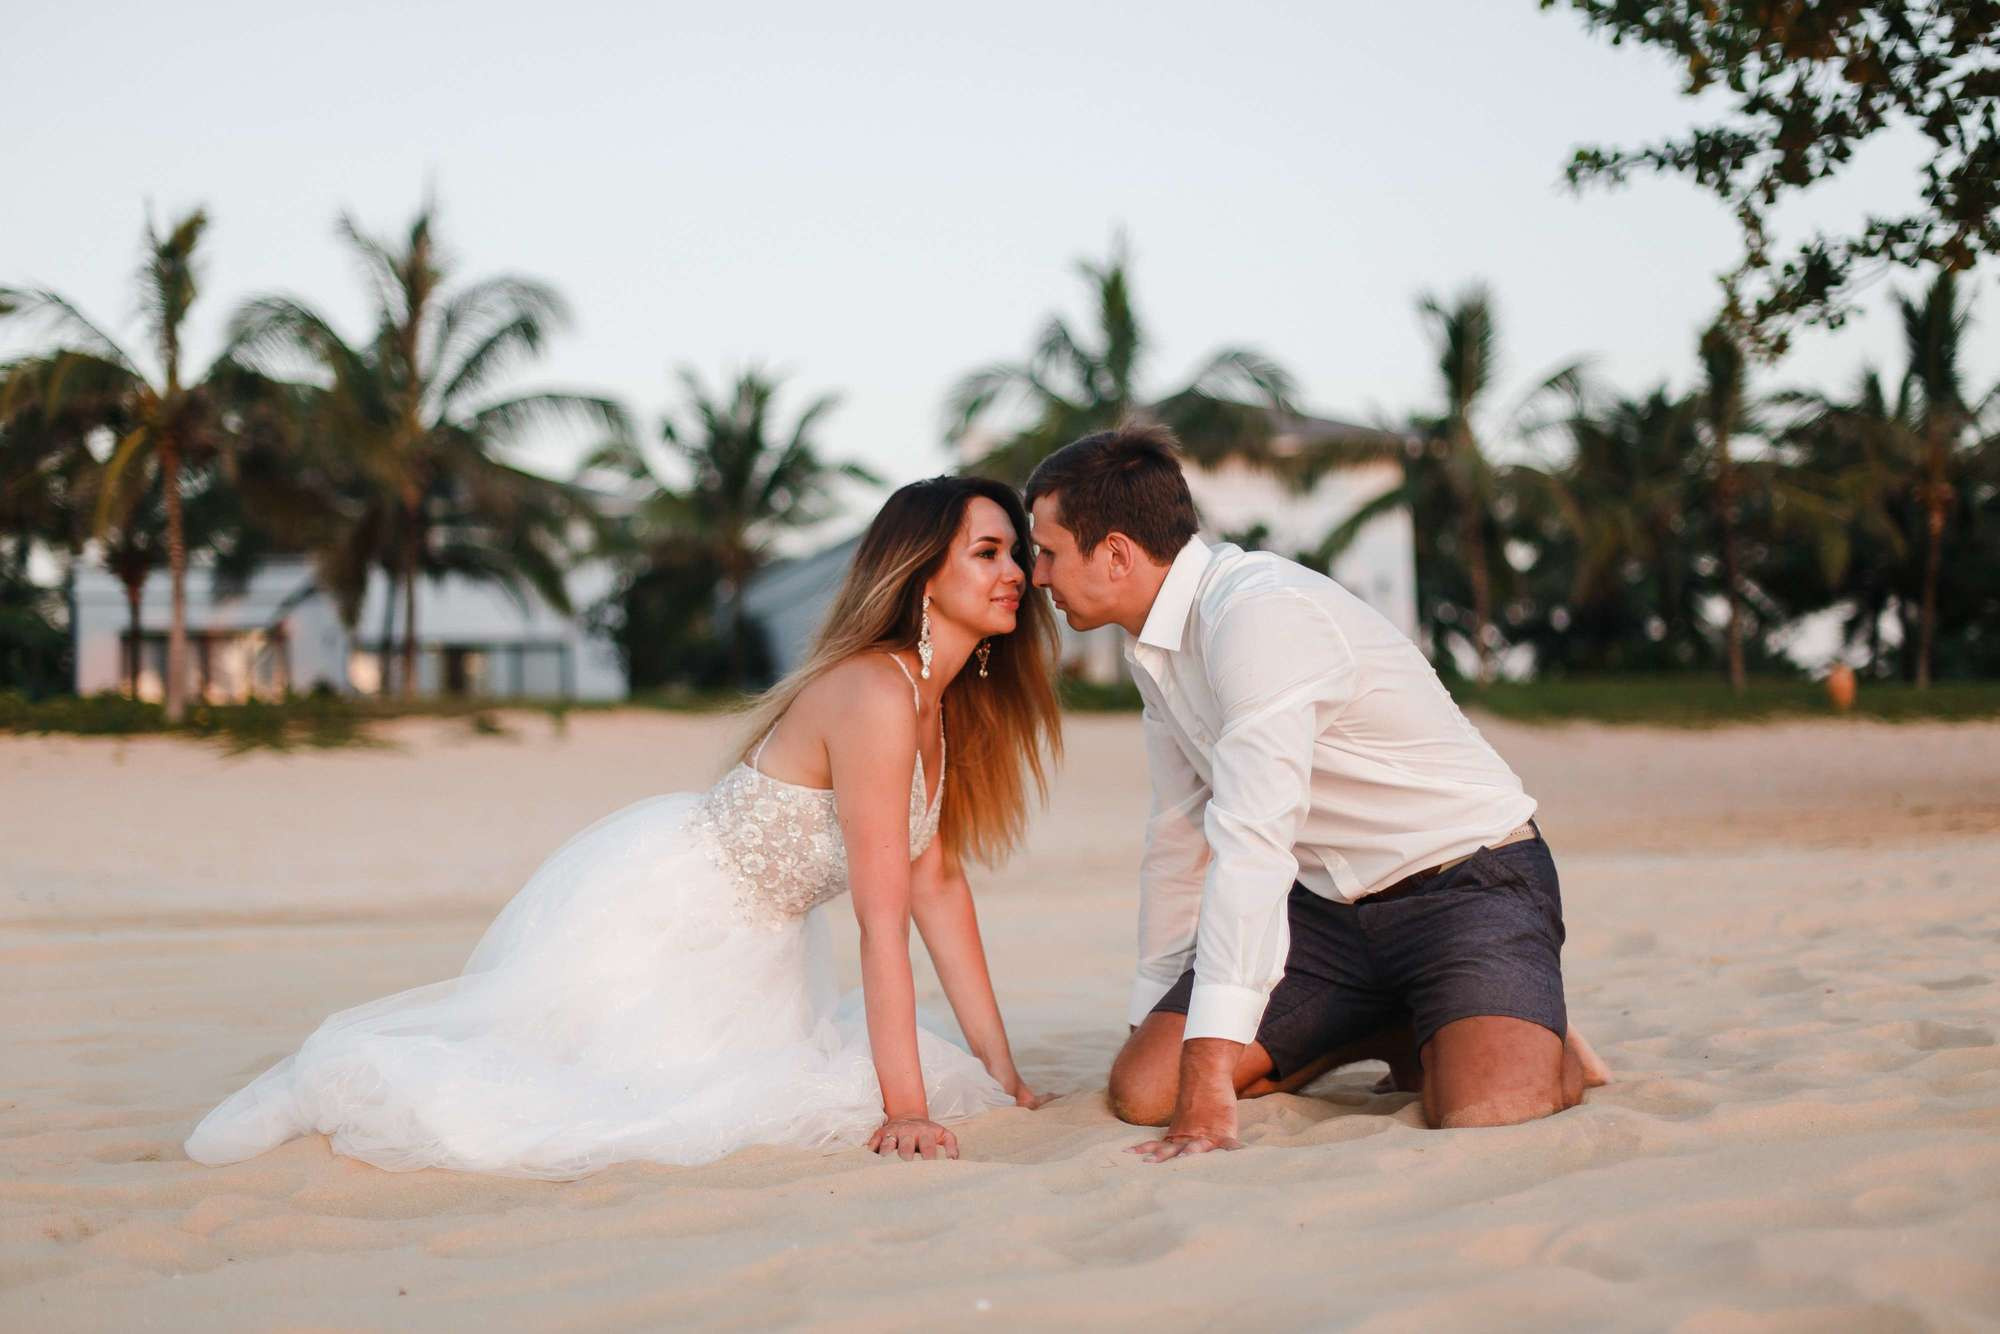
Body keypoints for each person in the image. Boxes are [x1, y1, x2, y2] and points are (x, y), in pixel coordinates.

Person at [185, 477, 1061, 1178]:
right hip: (670, 924)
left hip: (764, 958)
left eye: (1016, 553)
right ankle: (333, 1083)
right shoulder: (874, 692)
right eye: (986, 552)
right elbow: (881, 917)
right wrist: (904, 1112)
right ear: (920, 572)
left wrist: (1005, 1075)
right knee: (587, 1104)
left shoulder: (937, 705)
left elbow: (936, 885)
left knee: (795, 1091)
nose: (1015, 571)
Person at [1023, 424, 1608, 1163]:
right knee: (1145, 1090)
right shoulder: (1155, 649)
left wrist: (1210, 1077)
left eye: (1048, 552)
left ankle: (1522, 1027)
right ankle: (1387, 1020)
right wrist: (1153, 1026)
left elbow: (1252, 843)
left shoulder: (1257, 616)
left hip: (1465, 883)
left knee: (1486, 1110)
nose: (1037, 576)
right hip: (1325, 914)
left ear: (1115, 553)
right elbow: (1178, 837)